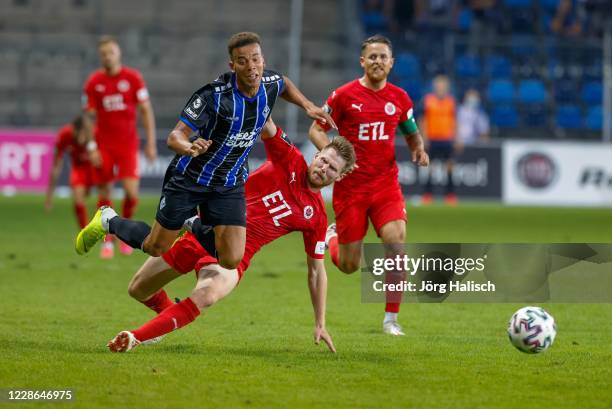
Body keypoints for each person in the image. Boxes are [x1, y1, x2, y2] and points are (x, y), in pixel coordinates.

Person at [76, 32, 336, 272]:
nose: (252, 66)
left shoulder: (269, 82)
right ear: (232, 65)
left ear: (262, 59)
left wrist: (308, 105)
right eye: (243, 61)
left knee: (232, 258)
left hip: (228, 183)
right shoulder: (213, 96)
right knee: (156, 247)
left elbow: (284, 83)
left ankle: (192, 223)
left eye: (256, 59)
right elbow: (175, 136)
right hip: (191, 178)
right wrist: (188, 147)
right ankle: (108, 220)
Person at [105, 117, 355, 353]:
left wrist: (320, 322)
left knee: (207, 293)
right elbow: (266, 122)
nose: (324, 168)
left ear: (340, 177)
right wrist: (259, 87)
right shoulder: (289, 157)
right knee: (138, 289)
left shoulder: (316, 217)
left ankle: (135, 337)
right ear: (318, 154)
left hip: (234, 255)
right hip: (204, 233)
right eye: (323, 160)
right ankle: (167, 316)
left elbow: (316, 271)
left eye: (332, 169)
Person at [308, 35, 429, 336]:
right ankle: (333, 235)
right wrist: (333, 159)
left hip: (385, 185)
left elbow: (411, 130)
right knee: (349, 266)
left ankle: (391, 319)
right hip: (351, 189)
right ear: (362, 61)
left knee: (396, 242)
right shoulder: (344, 96)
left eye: (382, 57)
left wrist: (418, 148)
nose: (377, 61)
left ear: (391, 62)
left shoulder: (400, 98)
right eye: (371, 57)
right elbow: (315, 130)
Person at [82, 35, 157, 258]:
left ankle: (125, 233)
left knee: (132, 193)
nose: (108, 57)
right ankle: (108, 240)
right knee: (105, 191)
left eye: (111, 52)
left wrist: (151, 143)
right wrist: (91, 146)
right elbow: (88, 118)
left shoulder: (133, 78)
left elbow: (146, 111)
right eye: (104, 54)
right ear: (100, 57)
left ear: (119, 53)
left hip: (127, 145)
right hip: (104, 146)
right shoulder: (94, 82)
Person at [45, 114, 100, 228]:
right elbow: (56, 166)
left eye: (84, 135)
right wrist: (49, 197)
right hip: (79, 167)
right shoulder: (65, 134)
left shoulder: (96, 133)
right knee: (78, 198)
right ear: (74, 129)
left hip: (95, 167)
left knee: (102, 197)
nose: (81, 139)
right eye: (79, 134)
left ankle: (110, 233)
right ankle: (84, 232)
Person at [419, 75, 457, 205]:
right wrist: (424, 137)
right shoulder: (428, 100)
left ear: (447, 87)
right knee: (430, 167)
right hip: (432, 138)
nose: (441, 88)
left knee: (450, 166)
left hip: (447, 138)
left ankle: (450, 194)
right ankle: (427, 194)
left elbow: (455, 121)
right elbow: (423, 120)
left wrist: (457, 137)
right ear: (435, 87)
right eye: (438, 85)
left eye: (443, 85)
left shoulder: (451, 101)